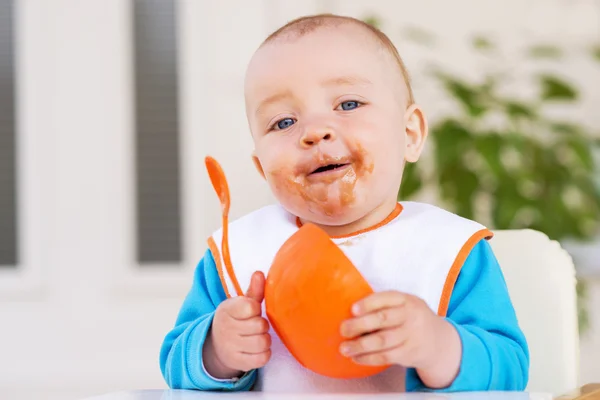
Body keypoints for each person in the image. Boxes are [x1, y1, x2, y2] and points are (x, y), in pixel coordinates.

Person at [159, 14, 529, 393]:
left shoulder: (449, 249)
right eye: (284, 122)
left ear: (410, 134)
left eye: (348, 103)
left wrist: (439, 345)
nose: (315, 131)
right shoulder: (237, 253)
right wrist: (215, 351)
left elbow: (511, 372)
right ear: (261, 168)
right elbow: (175, 366)